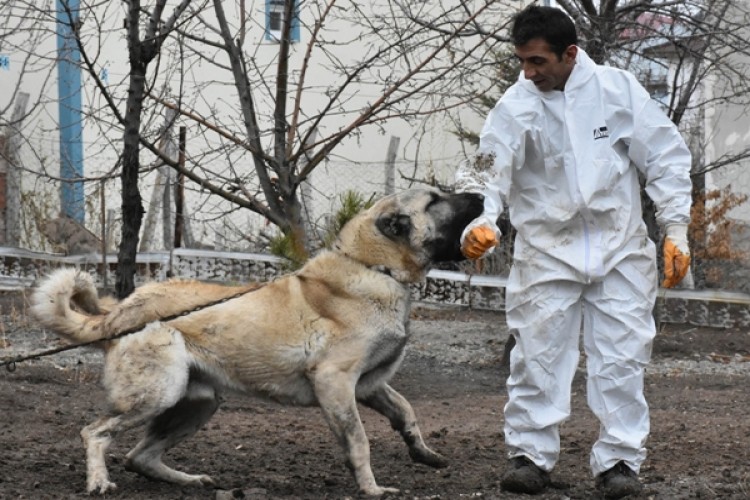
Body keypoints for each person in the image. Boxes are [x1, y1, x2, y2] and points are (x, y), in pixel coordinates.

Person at [455, 5, 692, 499]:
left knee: (622, 359)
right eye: (522, 61)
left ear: (569, 53)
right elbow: (486, 170)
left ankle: (620, 463)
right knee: (537, 356)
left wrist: (676, 229)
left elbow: (665, 156)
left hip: (620, 249)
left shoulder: (616, 91)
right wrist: (481, 220)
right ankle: (529, 457)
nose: (529, 72)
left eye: (538, 61)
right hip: (547, 250)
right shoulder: (515, 106)